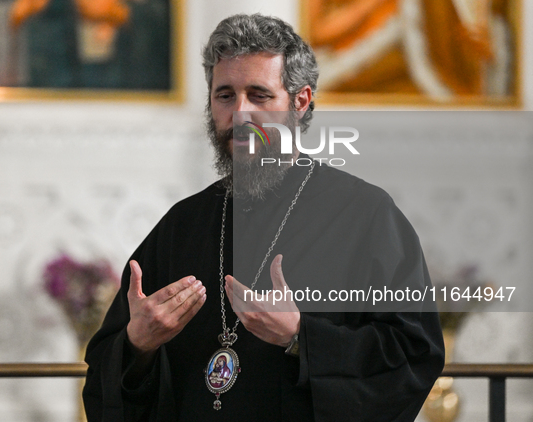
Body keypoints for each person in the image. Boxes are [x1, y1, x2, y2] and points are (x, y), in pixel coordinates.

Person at [83, 13, 445, 422]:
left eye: (258, 95)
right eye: (224, 96)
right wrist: (138, 345)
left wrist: (299, 337)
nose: (240, 115)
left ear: (300, 101)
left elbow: (414, 354)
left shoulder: (366, 215)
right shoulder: (182, 224)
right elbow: (105, 377)